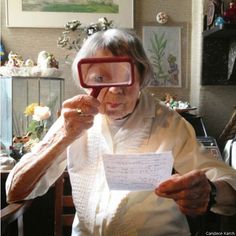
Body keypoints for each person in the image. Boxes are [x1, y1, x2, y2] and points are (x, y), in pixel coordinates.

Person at [6, 28, 236, 236]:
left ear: (142, 76)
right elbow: (15, 192)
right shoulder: (74, 119)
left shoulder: (169, 123)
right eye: (99, 78)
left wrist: (211, 192)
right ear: (85, 80)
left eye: (124, 74)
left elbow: (230, 187)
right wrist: (61, 137)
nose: (115, 89)